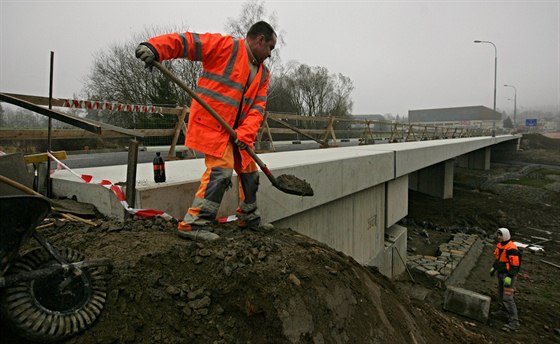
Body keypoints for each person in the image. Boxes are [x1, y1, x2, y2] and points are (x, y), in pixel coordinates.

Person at [135, 21, 277, 239]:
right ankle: (195, 224)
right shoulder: (226, 47)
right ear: (260, 40)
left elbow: (257, 108)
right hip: (212, 124)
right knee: (221, 171)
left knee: (250, 172)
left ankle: (248, 217)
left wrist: (245, 134)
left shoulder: (263, 74)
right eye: (270, 47)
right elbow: (188, 42)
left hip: (238, 133)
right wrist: (156, 48)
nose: (270, 54)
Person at [490, 227, 521, 330]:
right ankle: (504, 312)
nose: (498, 237)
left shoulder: (512, 248)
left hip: (508, 276)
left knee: (508, 298)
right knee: (501, 294)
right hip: (501, 274)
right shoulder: (500, 246)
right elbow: (498, 259)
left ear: (506, 235)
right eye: (498, 235)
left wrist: (510, 276)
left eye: (500, 235)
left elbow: (515, 265)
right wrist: (494, 268)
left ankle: (514, 322)